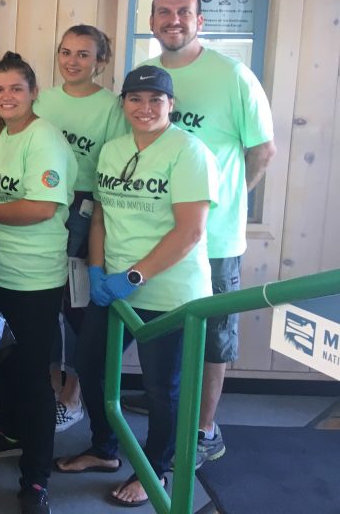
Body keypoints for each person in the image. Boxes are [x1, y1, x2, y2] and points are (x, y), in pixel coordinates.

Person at [55, 65, 218, 507]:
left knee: (161, 389)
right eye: (135, 99)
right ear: (123, 103)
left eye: (155, 100)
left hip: (169, 292)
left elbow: (190, 232)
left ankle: (155, 470)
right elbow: (103, 216)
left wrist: (134, 276)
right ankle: (104, 449)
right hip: (112, 286)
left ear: (171, 105)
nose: (144, 108)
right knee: (89, 368)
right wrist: (95, 269)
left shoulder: (189, 152)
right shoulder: (112, 150)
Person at [131, 0, 275, 467]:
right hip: (156, 236)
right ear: (152, 20)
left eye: (184, 12)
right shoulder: (146, 76)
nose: (174, 20)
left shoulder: (231, 75)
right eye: (164, 12)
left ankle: (204, 428)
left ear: (200, 20)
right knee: (158, 327)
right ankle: (167, 405)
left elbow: (263, 150)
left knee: (214, 336)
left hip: (213, 239)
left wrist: (227, 203)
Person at [0, 52, 78, 514]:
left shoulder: (43, 138)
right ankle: (10, 434)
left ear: (33, 93)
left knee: (32, 380)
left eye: (16, 88)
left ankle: (36, 479)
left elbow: (41, 208)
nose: (7, 96)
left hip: (33, 278)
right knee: (3, 362)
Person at [34, 25, 127, 432]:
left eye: (84, 55)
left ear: (100, 62)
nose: (72, 61)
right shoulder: (43, 100)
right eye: (66, 52)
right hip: (41, 205)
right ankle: (50, 390)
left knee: (77, 306)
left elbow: (115, 167)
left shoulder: (111, 108)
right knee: (44, 300)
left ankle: (73, 396)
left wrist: (98, 228)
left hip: (85, 209)